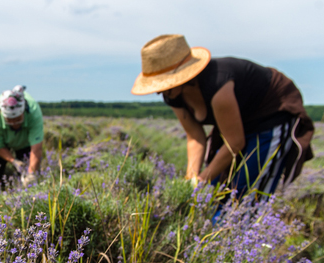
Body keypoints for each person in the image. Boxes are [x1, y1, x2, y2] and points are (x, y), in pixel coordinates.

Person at [131, 34, 314, 205]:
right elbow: (195, 137)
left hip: (271, 115)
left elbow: (235, 143)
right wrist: (191, 180)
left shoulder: (217, 84)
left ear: (182, 77)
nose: (158, 91)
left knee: (244, 195)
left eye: (163, 83)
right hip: (239, 120)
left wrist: (203, 179)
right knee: (214, 192)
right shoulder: (173, 94)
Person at [0, 85, 43, 195]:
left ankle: (27, 196)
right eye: (9, 120)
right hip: (4, 140)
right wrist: (13, 161)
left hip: (25, 140)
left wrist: (31, 175)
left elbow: (36, 149)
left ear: (23, 112)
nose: (14, 124)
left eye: (17, 120)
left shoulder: (34, 113)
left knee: (29, 167)